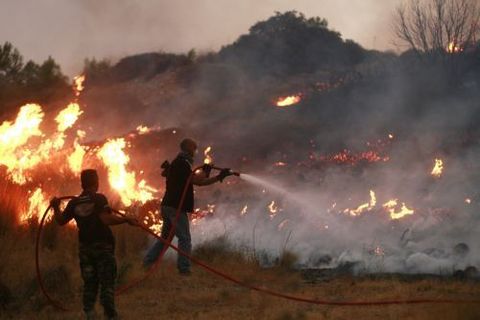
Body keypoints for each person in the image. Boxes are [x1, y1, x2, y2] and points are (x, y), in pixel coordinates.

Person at [50, 169, 138, 320]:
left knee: (90, 282)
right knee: (107, 281)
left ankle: (89, 312)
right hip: (102, 247)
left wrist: (56, 207)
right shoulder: (99, 199)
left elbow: (60, 221)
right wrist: (126, 220)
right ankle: (110, 314)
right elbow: (106, 219)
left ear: (82, 184)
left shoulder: (74, 203)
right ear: (96, 182)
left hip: (85, 248)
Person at [143, 138, 234, 274]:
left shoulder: (180, 163)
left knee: (166, 238)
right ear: (187, 148)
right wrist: (206, 171)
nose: (195, 151)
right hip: (175, 207)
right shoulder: (181, 163)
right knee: (185, 238)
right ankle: (184, 269)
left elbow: (200, 182)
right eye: (193, 148)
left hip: (169, 206)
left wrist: (219, 177)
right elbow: (197, 180)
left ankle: (148, 262)